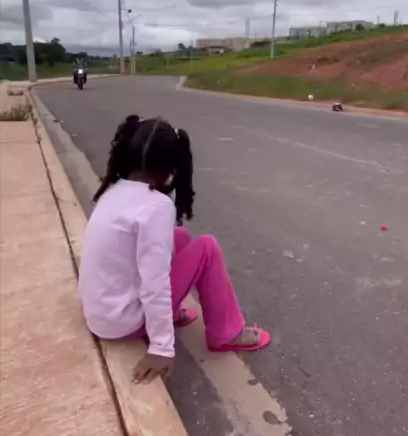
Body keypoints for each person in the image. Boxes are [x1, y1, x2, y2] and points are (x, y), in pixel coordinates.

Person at [78, 114, 270, 383]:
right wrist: (161, 348)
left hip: (100, 313)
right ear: (171, 168)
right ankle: (226, 333)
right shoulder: (156, 206)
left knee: (179, 237)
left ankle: (172, 314)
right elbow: (154, 283)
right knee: (207, 247)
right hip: (122, 322)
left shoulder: (114, 189)